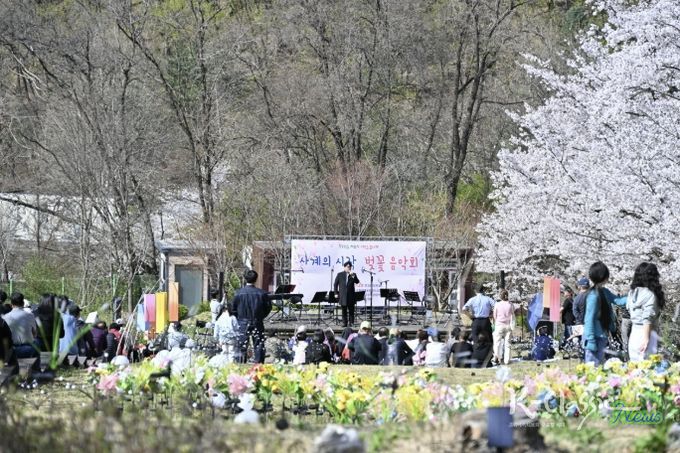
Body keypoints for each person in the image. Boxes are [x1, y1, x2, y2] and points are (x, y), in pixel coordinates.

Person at [583, 261, 627, 365]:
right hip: (594, 337)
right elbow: (589, 319)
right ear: (603, 276)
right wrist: (590, 340)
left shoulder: (604, 291)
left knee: (599, 365)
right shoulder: (593, 296)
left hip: (602, 335)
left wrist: (634, 297)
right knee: (592, 366)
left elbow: (618, 301)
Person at [625, 262, 665, 362]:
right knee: (648, 367)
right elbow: (647, 319)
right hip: (646, 334)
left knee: (634, 367)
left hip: (634, 333)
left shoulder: (632, 292)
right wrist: (646, 339)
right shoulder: (650, 295)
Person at [231, 269, 272, 364]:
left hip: (242, 321)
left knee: (242, 344)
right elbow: (268, 308)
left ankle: (240, 364)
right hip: (257, 321)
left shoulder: (238, 293)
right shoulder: (262, 293)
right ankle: (259, 365)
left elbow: (233, 309)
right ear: (256, 279)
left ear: (245, 279)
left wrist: (239, 318)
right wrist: (261, 316)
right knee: (259, 343)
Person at [2, 292, 38, 359]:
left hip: (12, 350)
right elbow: (34, 333)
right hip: (28, 349)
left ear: (11, 304)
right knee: (37, 342)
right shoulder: (30, 315)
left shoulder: (5, 317)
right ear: (23, 303)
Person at [334, 261, 360, 327]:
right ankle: (344, 323)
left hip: (351, 296)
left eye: (350, 267)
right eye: (348, 267)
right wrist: (335, 293)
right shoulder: (340, 274)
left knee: (351, 310)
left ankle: (351, 323)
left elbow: (357, 282)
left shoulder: (353, 274)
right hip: (343, 296)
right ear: (344, 267)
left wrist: (353, 275)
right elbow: (335, 284)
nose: (349, 268)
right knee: (344, 310)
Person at [492, 289, 514, 365]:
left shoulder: (497, 304)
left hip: (499, 325)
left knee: (497, 343)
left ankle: (497, 358)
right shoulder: (510, 304)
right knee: (508, 343)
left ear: (500, 296)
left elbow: (494, 316)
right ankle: (507, 360)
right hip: (508, 325)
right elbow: (512, 314)